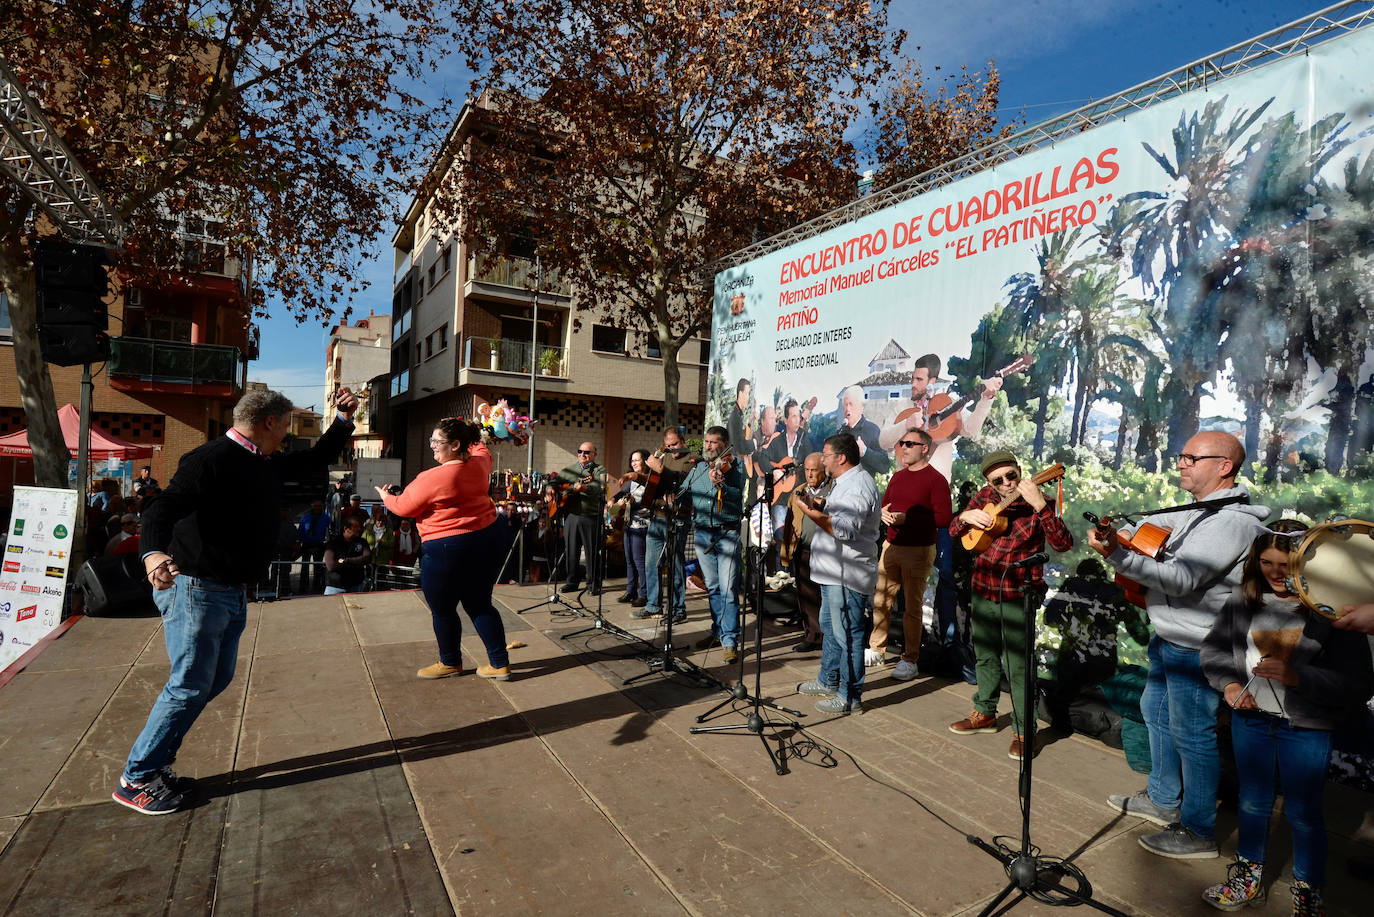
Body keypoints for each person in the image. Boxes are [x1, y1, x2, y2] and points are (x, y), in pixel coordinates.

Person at [114, 387, 357, 815]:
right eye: (286, 426)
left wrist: (343, 420)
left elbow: (315, 459)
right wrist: (152, 554)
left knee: (214, 680)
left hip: (228, 591)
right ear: (269, 422)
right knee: (189, 686)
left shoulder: (262, 462)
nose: (287, 434)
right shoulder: (210, 459)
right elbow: (160, 509)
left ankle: (157, 763)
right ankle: (137, 777)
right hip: (198, 589)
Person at [1089, 430, 1270, 859]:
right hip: (1170, 635)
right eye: (1182, 456)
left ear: (1224, 467)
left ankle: (1197, 831)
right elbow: (1149, 529)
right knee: (1156, 712)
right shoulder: (1199, 510)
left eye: (1191, 458)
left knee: (1192, 734)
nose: (1181, 464)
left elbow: (1182, 579)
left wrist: (1117, 555)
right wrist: (1123, 532)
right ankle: (1163, 799)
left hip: (1197, 646)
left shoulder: (1232, 523)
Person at [1199, 522, 1373, 914]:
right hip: (1251, 721)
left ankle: (1309, 893)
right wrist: (1229, 685)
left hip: (1305, 728)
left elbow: (1358, 683)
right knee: (1253, 802)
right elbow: (1215, 650)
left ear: (1308, 564)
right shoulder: (1244, 599)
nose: (1276, 573)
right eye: (1267, 562)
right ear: (1255, 562)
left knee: (1304, 813)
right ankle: (1247, 880)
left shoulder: (1331, 612)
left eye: (1286, 564)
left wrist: (1298, 677)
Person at [879, 354, 1003, 681]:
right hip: (903, 508)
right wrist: (907, 425)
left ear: (932, 381)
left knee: (944, 578)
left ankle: (943, 647)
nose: (913, 383)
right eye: (913, 378)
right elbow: (883, 440)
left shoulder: (947, 405)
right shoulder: (903, 407)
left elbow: (971, 430)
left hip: (935, 510)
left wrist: (987, 398)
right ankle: (900, 648)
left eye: (919, 379)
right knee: (897, 584)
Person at [947, 449, 1074, 760]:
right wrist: (964, 517)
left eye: (1010, 476)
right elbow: (954, 531)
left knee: (1019, 667)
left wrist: (1041, 506)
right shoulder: (984, 496)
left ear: (1019, 471)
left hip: (1018, 594)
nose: (1006, 483)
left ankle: (1024, 730)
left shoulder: (1040, 501)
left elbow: (1063, 544)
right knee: (985, 657)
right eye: (998, 480)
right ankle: (985, 713)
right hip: (983, 588)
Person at [377, 417, 511, 681]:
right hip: (485, 539)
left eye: (437, 441)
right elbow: (480, 447)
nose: (432, 446)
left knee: (443, 609)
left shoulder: (432, 477)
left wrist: (385, 497)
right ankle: (499, 663)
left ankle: (450, 662)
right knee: (480, 604)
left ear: (455, 445)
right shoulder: (481, 463)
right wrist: (474, 429)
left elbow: (403, 507)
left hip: (446, 548)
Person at [794, 432, 881, 715]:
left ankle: (850, 697)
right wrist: (820, 505)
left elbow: (845, 530)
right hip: (832, 574)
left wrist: (810, 512)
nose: (823, 460)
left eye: (826, 455)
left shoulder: (858, 485)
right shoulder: (844, 482)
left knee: (849, 637)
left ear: (841, 458)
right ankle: (828, 680)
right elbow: (841, 516)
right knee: (831, 629)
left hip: (847, 576)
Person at [869, 428, 952, 679]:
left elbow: (944, 518)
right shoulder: (897, 477)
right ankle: (877, 649)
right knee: (881, 601)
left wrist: (908, 519)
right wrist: (883, 513)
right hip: (891, 546)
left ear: (924, 448)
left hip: (919, 550)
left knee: (912, 608)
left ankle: (910, 659)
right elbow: (885, 505)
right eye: (901, 443)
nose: (903, 448)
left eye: (909, 444)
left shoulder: (936, 480)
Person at [684, 426, 745, 664]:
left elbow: (737, 496)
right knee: (712, 587)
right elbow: (683, 491)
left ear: (724, 445)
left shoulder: (736, 467)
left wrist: (722, 486)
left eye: (713, 442)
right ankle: (718, 631)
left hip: (727, 532)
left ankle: (730, 641)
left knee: (728, 589)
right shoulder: (699, 468)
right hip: (702, 533)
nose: (708, 446)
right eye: (706, 441)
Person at [635, 426, 700, 623]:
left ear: (683, 440)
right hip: (658, 515)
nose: (672, 449)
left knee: (675, 564)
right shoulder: (664, 456)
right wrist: (637, 476)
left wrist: (661, 469)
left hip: (678, 518)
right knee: (651, 563)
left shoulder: (694, 459)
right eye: (669, 445)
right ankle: (653, 605)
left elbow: (683, 480)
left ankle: (678, 609)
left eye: (675, 444)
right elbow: (655, 482)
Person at [779, 452, 832, 652]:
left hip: (827, 552)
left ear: (824, 470)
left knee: (827, 596)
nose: (809, 474)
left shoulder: (833, 489)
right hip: (804, 550)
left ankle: (830, 638)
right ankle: (812, 636)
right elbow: (789, 523)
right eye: (807, 470)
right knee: (806, 596)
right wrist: (786, 553)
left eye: (814, 470)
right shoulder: (798, 491)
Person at [556, 441, 606, 594]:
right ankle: (571, 582)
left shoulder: (600, 470)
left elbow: (600, 487)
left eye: (587, 452)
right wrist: (550, 490)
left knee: (591, 553)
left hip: (591, 517)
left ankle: (593, 584)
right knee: (571, 551)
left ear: (594, 455)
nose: (582, 455)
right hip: (571, 516)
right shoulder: (569, 469)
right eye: (580, 451)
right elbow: (553, 482)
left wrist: (585, 488)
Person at [612, 450, 651, 607]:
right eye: (632, 460)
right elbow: (622, 492)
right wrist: (612, 500)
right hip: (629, 525)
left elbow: (645, 504)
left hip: (642, 527)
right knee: (629, 561)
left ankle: (644, 594)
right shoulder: (631, 481)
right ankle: (631, 591)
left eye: (637, 460)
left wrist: (628, 505)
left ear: (645, 462)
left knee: (639, 561)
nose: (634, 463)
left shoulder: (650, 480)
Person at [838, 384, 890, 476]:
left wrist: (865, 452)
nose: (847, 409)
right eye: (845, 405)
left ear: (861, 406)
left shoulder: (872, 430)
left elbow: (885, 466)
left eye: (851, 404)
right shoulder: (840, 432)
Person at [323, 515, 372, 595]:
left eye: (360, 526)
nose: (359, 529)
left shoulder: (362, 542)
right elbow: (331, 566)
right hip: (335, 587)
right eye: (355, 527)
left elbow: (368, 558)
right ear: (346, 529)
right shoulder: (334, 543)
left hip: (355, 586)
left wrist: (347, 561)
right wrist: (357, 562)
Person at [296, 499, 331, 593]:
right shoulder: (305, 518)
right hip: (306, 545)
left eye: (319, 506)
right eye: (315, 506)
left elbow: (328, 532)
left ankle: (317, 588)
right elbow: (300, 532)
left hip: (319, 545)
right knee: (304, 567)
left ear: (322, 507)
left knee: (318, 567)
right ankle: (303, 588)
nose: (317, 508)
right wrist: (299, 543)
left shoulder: (326, 518)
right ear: (312, 507)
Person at [726, 378, 754, 464]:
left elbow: (738, 436)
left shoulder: (736, 413)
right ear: (741, 393)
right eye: (747, 393)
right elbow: (741, 446)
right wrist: (754, 443)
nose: (748, 397)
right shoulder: (735, 416)